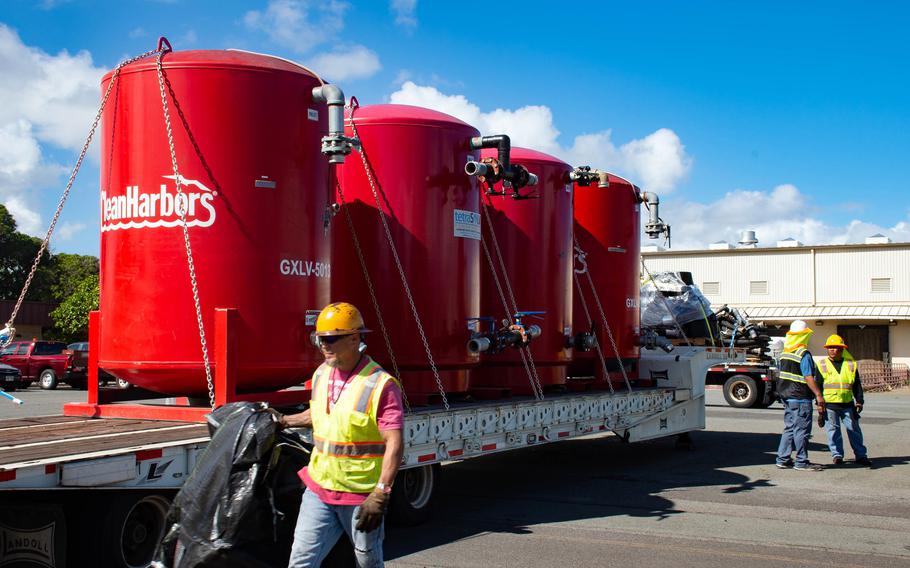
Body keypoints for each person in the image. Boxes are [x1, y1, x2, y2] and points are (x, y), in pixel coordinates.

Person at [277, 302, 404, 568]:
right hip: (319, 489)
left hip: (360, 495)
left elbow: (394, 442)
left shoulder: (380, 384)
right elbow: (322, 415)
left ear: (355, 338)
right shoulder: (322, 374)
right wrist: (283, 421)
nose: (324, 345)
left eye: (331, 339)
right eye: (319, 339)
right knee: (300, 561)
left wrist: (380, 493)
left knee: (366, 562)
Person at [775, 320, 826, 471]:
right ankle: (801, 461)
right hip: (800, 397)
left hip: (787, 397)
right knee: (802, 430)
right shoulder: (803, 354)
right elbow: (808, 377)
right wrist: (818, 395)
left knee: (790, 428)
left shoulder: (785, 354)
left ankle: (782, 459)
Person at [817, 334, 871, 466]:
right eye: (830, 347)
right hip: (830, 405)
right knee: (833, 431)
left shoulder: (850, 365)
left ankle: (861, 455)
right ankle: (837, 455)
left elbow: (857, 384)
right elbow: (818, 386)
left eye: (835, 347)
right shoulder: (821, 364)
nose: (832, 350)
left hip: (847, 404)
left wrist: (859, 400)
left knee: (854, 430)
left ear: (842, 349)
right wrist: (819, 404)